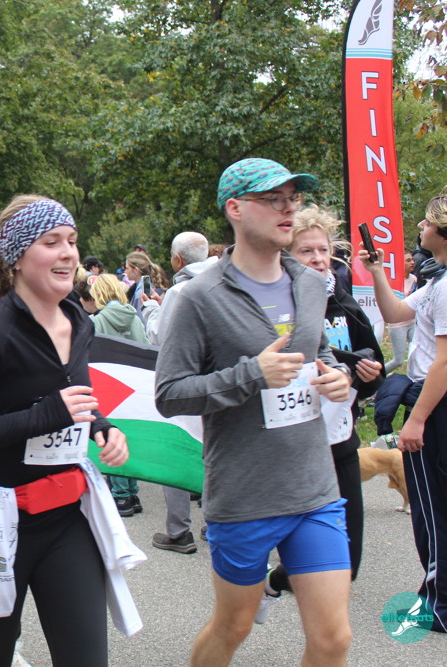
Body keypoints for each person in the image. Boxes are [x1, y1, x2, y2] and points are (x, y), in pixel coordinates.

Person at [0, 195, 135, 666]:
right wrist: (40, 417)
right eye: (51, 242)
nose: (68, 252)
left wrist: (101, 426)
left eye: (72, 241)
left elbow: (72, 395)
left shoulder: (78, 319)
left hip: (66, 518)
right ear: (16, 256)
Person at [155, 158, 354, 665]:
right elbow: (170, 393)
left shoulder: (310, 283)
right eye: (273, 199)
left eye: (293, 199)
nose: (288, 209)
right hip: (245, 494)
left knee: (334, 638)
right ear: (236, 209)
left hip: (313, 487)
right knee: (233, 627)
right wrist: (251, 375)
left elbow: (316, 351)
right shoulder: (199, 297)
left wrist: (337, 375)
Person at [254, 204, 386, 620]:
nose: (318, 259)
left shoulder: (344, 304)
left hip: (340, 441)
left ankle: (273, 582)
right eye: (306, 251)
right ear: (286, 255)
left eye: (323, 250)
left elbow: (374, 368)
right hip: (288, 448)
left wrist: (364, 375)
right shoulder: (273, 307)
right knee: (318, 569)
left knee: (348, 562)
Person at [360, 189, 447, 633]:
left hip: (435, 406)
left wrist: (416, 419)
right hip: (432, 403)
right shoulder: (435, 283)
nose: (420, 227)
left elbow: (444, 363)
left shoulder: (446, 288)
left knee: (431, 509)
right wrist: (376, 270)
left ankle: (438, 606)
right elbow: (396, 313)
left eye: (426, 222)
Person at [141, 231, 218, 554]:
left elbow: (160, 336)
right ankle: (214, 523)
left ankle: (178, 530)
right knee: (213, 453)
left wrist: (150, 310)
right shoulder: (224, 281)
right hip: (219, 381)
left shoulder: (179, 291)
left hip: (185, 382)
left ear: (177, 260)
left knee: (176, 451)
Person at [77, 272, 148, 517]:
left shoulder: (96, 322)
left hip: (108, 384)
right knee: (128, 436)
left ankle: (121, 495)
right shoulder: (134, 317)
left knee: (111, 435)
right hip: (134, 383)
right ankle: (132, 492)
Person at [386, 251, 417, 373]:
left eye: (412, 260)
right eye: (408, 260)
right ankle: (376, 377)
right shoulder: (393, 280)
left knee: (417, 354)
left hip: (412, 322)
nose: (412, 263)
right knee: (398, 361)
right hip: (398, 324)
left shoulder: (414, 279)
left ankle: (415, 378)